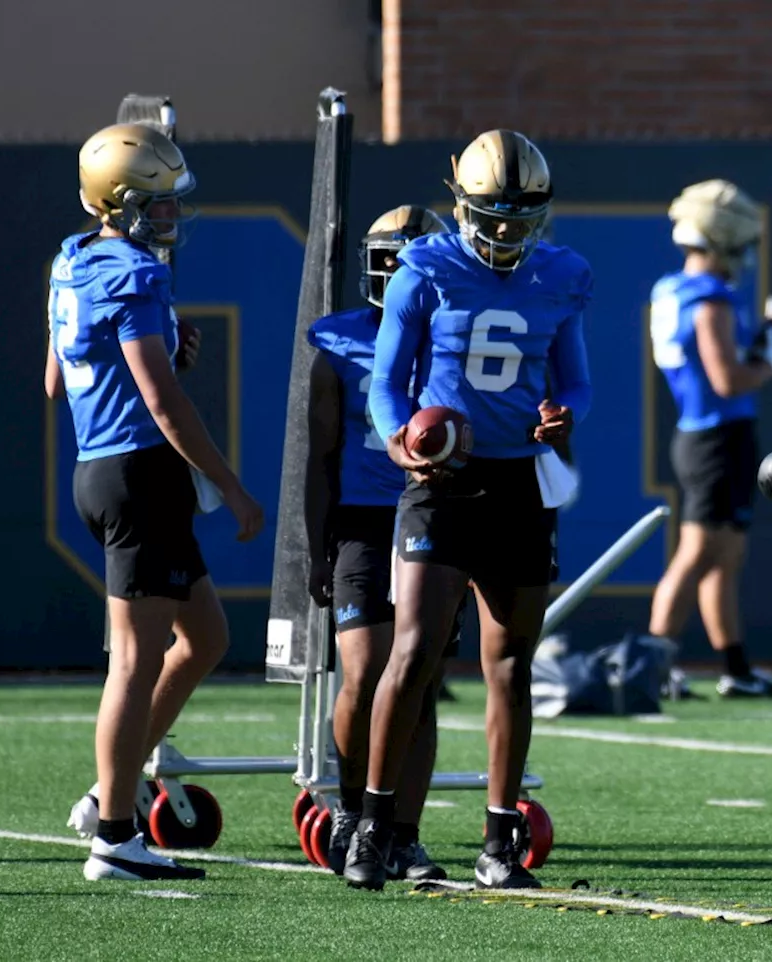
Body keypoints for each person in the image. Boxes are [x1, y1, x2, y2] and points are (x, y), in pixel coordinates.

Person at [343, 129, 593, 891]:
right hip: (442, 482)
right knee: (413, 653)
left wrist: (561, 417)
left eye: (522, 216)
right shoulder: (426, 266)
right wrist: (400, 443)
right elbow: (388, 382)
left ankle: (498, 840)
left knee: (510, 665)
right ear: (460, 204)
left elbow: (575, 379)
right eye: (493, 214)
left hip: (520, 484)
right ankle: (374, 830)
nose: (508, 230)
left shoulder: (563, 273)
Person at [49, 123, 264, 880]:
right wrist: (230, 485)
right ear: (121, 202)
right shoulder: (136, 272)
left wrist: (162, 342)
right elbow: (164, 402)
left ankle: (116, 785)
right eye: (158, 204)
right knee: (136, 659)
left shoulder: (71, 259)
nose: (171, 216)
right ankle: (113, 833)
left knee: (204, 637)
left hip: (100, 468)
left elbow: (55, 381)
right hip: (139, 472)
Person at [304, 205, 458, 880]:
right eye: (392, 260)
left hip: (434, 515)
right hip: (365, 520)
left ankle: (404, 832)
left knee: (419, 681)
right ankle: (348, 806)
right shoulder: (339, 343)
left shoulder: (460, 340)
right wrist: (314, 547)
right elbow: (321, 455)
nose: (398, 275)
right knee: (365, 672)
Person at [645, 179, 772, 700]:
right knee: (698, 554)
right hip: (716, 438)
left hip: (706, 435)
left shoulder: (674, 289)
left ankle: (734, 668)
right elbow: (727, 380)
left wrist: (765, 335)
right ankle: (653, 665)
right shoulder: (710, 297)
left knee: (724, 557)